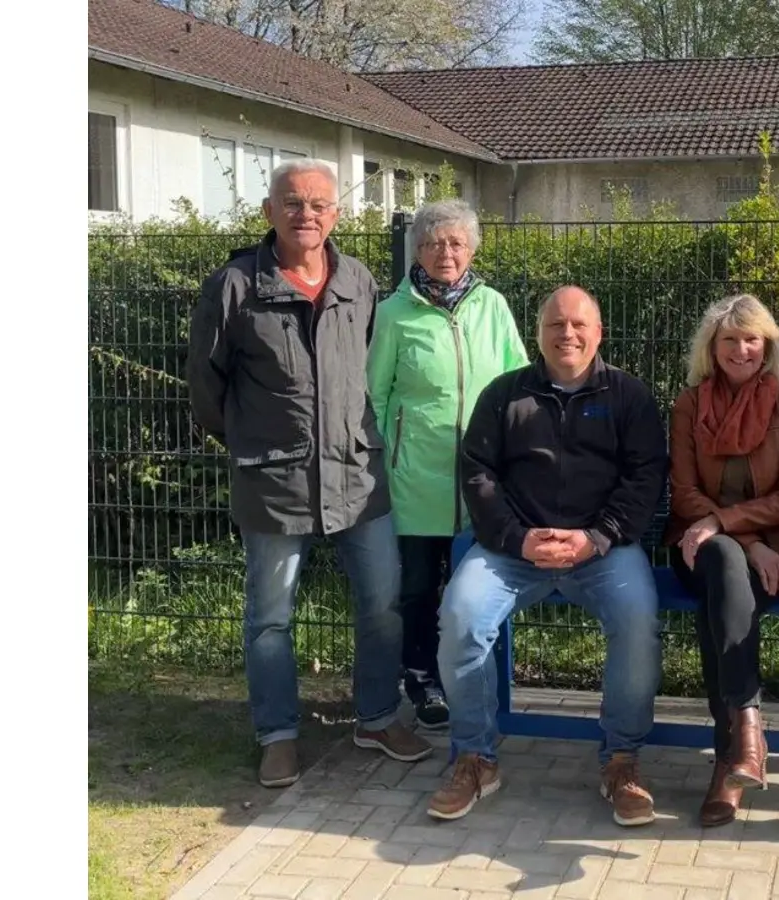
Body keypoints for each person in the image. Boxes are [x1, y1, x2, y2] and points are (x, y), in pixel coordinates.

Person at [185, 160, 432, 789]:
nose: (307, 214)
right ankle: (278, 735)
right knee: (270, 617)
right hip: (275, 481)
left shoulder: (359, 280)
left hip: (357, 477)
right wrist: (254, 440)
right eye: (293, 202)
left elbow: (375, 372)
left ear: (337, 215)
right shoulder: (234, 286)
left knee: (382, 605)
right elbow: (206, 390)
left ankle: (376, 718)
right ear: (269, 211)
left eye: (320, 204)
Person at [427, 286, 670, 828]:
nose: (568, 334)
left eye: (580, 324)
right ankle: (475, 757)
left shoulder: (629, 396)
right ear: (538, 335)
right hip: (515, 551)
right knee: (460, 616)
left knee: (637, 621)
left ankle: (622, 762)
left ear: (599, 332)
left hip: (603, 551)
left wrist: (597, 537)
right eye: (556, 325)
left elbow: (646, 475)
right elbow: (477, 472)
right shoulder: (504, 395)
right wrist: (517, 539)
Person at [367, 199, 529, 730]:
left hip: (483, 480)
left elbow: (519, 382)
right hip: (414, 477)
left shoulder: (494, 306)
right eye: (435, 242)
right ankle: (421, 677)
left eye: (457, 242)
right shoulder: (393, 312)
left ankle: (472, 680)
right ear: (418, 249)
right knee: (416, 586)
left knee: (472, 588)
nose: (446, 252)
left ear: (472, 249)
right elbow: (374, 395)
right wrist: (384, 460)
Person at [663, 294, 779, 828]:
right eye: (730, 339)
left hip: (778, 551)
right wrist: (739, 537)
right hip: (702, 546)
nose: (742, 349)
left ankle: (729, 754)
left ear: (767, 346)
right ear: (712, 347)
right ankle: (747, 727)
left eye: (753, 339)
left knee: (719, 597)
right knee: (723, 563)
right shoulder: (688, 405)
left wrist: (734, 530)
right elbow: (683, 491)